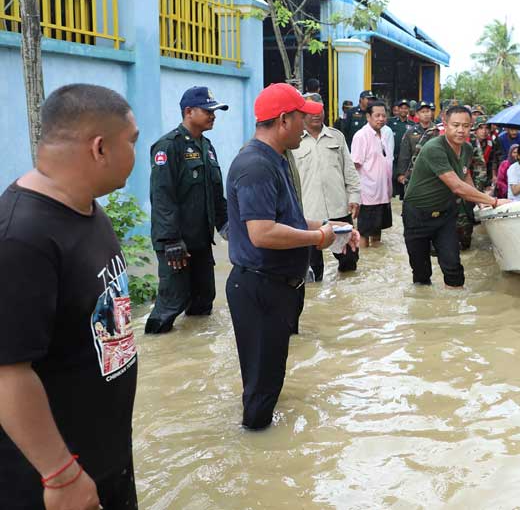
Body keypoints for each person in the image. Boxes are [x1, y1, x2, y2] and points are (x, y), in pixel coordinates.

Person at [0, 84, 140, 509]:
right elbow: (7, 372)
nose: (136, 152)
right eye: (131, 142)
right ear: (100, 148)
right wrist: (60, 475)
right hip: (53, 482)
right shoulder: (21, 239)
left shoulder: (87, 209)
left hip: (104, 460)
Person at [225, 83, 358, 430]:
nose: (307, 125)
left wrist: (335, 227)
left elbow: (289, 219)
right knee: (261, 390)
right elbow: (263, 232)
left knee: (270, 380)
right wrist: (317, 237)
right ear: (284, 119)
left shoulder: (277, 160)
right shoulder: (255, 165)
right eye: (302, 118)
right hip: (259, 288)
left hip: (276, 287)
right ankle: (257, 460)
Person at [145, 86, 229, 335]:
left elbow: (215, 193)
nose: (213, 116)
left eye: (215, 111)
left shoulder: (207, 147)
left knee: (204, 302)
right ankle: (156, 351)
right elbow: (162, 197)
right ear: (189, 111)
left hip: (201, 242)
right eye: (208, 111)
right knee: (171, 304)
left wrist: (226, 227)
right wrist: (170, 240)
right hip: (176, 245)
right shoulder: (168, 147)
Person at [402, 105, 509, 286]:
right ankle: (423, 310)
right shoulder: (434, 148)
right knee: (421, 274)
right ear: (445, 124)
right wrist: (494, 201)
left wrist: (481, 203)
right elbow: (456, 186)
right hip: (418, 214)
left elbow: (465, 175)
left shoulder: (467, 148)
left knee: (454, 268)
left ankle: (454, 310)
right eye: (455, 125)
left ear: (471, 127)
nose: (461, 130)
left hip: (445, 214)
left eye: (466, 126)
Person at [293, 93, 361, 280]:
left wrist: (354, 197)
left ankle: (343, 304)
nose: (316, 114)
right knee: (313, 269)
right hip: (309, 214)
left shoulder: (336, 137)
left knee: (349, 261)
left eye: (319, 109)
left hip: (339, 209)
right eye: (310, 110)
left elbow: (349, 170)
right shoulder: (293, 141)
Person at [350, 100, 394, 247]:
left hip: (383, 193)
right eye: (377, 115)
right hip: (368, 195)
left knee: (378, 232)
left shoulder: (385, 133)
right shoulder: (361, 136)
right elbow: (354, 166)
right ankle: (364, 260)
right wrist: (354, 196)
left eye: (383, 115)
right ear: (368, 117)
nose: (381, 118)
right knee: (364, 232)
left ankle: (376, 264)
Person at [397, 102, 434, 185]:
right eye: (423, 112)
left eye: (428, 111)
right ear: (417, 114)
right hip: (414, 172)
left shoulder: (438, 131)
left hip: (434, 171)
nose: (426, 114)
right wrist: (401, 174)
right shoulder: (410, 132)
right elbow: (404, 154)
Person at [387, 99, 412, 200]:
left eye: (406, 108)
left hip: (405, 157)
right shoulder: (390, 122)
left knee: (403, 178)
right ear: (398, 109)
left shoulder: (412, 124)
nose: (403, 110)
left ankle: (403, 197)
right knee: (391, 177)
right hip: (392, 155)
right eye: (402, 108)